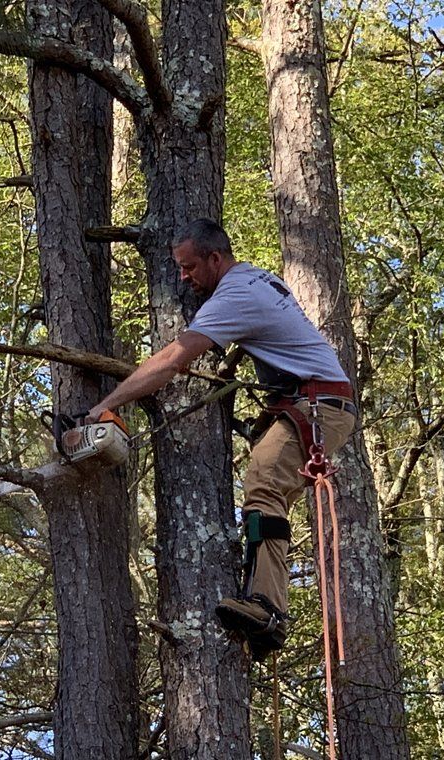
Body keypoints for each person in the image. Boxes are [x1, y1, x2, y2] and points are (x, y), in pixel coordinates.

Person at [87, 218, 356, 657]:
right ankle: (263, 600)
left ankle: (267, 609)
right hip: (314, 402)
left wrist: (107, 405)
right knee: (265, 492)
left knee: (264, 484)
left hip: (318, 406)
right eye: (179, 268)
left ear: (216, 258)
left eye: (189, 267)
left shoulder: (237, 294)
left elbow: (173, 359)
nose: (183, 277)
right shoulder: (257, 280)